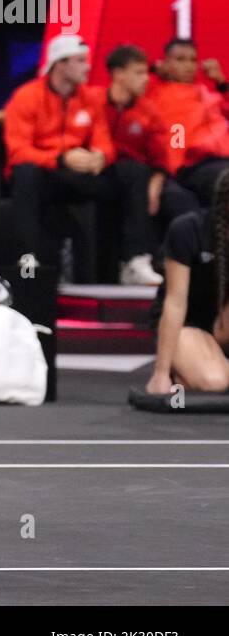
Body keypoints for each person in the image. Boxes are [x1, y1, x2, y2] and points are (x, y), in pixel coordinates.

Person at [4, 34, 161, 284]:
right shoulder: (27, 97)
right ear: (60, 64)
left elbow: (104, 142)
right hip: (47, 174)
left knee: (134, 172)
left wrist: (99, 157)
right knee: (25, 173)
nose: (88, 67)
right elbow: (18, 151)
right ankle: (28, 263)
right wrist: (61, 158)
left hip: (79, 174)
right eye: (80, 61)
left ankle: (134, 261)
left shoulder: (89, 98)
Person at [97, 44, 198, 237]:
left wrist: (155, 184)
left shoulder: (149, 110)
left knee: (180, 200)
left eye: (193, 60)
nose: (145, 78)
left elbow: (160, 156)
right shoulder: (95, 101)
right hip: (106, 170)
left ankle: (172, 261)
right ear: (119, 74)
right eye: (140, 73)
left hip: (147, 173)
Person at [147, 170, 229, 395]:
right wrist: (161, 373)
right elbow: (175, 303)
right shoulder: (188, 230)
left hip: (222, 326)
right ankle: (184, 364)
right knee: (214, 381)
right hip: (188, 325)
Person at [147, 38, 229, 205]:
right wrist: (154, 69)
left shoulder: (208, 94)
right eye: (180, 60)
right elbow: (133, 76)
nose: (188, 66)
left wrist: (221, 83)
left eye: (193, 60)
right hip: (195, 166)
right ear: (166, 63)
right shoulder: (158, 95)